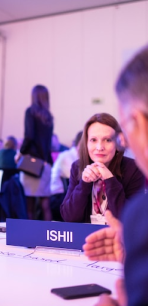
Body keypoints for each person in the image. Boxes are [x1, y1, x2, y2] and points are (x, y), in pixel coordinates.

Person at [83, 44, 148, 306]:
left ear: (138, 122)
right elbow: (68, 213)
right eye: (93, 140)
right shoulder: (80, 170)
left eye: (114, 138)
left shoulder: (140, 213)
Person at [60, 113, 145, 224]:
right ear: (86, 143)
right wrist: (84, 184)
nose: (100, 147)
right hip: (86, 238)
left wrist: (110, 180)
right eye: (93, 140)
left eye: (108, 140)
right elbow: (69, 217)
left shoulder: (133, 169)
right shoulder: (77, 167)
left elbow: (131, 220)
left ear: (118, 144)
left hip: (118, 239)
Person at [20, 84, 53, 220]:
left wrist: (21, 151)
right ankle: (50, 236)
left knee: (29, 205)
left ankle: (31, 237)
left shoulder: (30, 112)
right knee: (45, 204)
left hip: (32, 164)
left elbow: (29, 136)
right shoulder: (48, 117)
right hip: (46, 164)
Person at [49, 131, 82, 221]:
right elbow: (75, 178)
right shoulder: (66, 156)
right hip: (57, 196)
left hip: (65, 192)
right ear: (80, 143)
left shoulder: (75, 156)